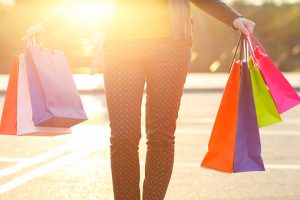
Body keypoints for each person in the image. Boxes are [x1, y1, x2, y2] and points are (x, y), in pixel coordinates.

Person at [23, 1, 255, 200]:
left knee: (161, 134)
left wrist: (233, 18)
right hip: (119, 47)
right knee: (123, 135)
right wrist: (47, 24)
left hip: (171, 46)